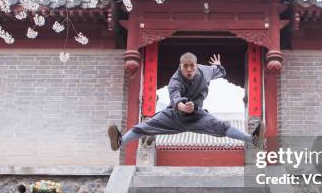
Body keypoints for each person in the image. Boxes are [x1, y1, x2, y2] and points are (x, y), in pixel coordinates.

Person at [108, 52, 265, 151]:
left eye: (192, 66)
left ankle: (253, 139)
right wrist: (183, 106)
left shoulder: (206, 71)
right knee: (142, 127)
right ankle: (120, 141)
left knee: (223, 126)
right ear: (180, 66)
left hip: (198, 116)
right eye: (186, 67)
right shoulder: (174, 80)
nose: (189, 69)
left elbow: (218, 71)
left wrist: (218, 66)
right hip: (174, 116)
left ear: (197, 66)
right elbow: (175, 97)